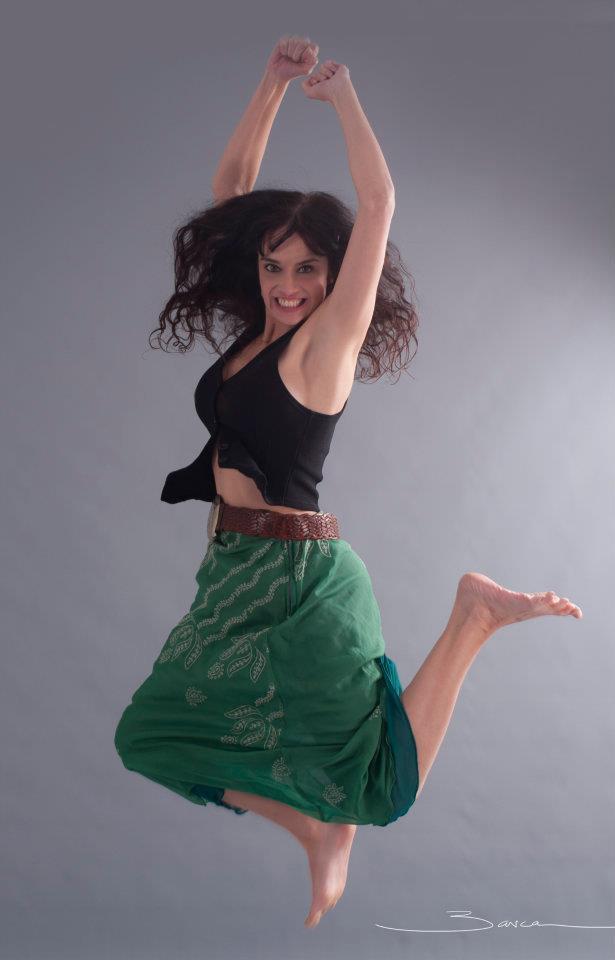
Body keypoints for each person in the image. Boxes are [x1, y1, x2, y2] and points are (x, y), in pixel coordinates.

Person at [113, 34, 583, 929]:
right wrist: (269, 85)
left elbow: (379, 201)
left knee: (374, 786)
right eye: (273, 266)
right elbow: (231, 188)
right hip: (233, 575)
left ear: (334, 275)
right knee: (150, 737)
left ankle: (474, 619)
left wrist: (342, 98)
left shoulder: (324, 347)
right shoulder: (256, 330)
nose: (286, 284)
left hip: (300, 582)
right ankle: (315, 831)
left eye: (306, 268)